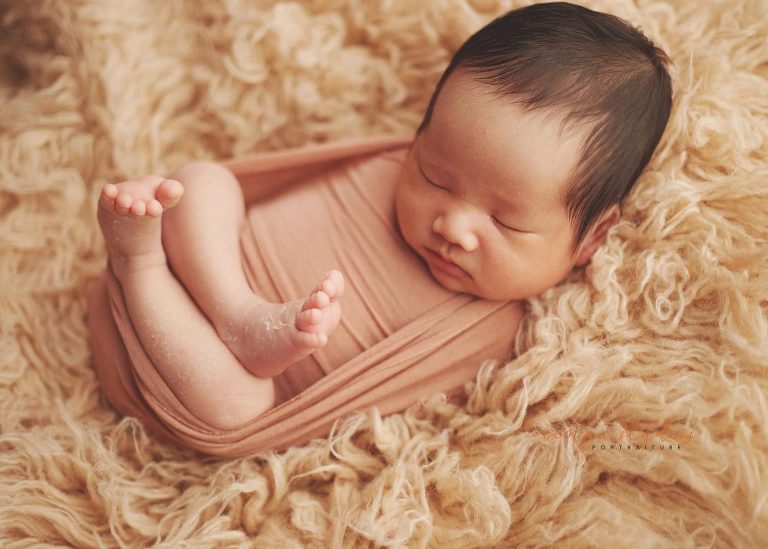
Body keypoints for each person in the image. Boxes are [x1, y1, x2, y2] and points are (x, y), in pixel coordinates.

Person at [88, 2, 673, 454]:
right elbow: (272, 183)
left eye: (505, 221)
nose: (454, 226)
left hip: (173, 377)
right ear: (417, 138)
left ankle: (137, 264)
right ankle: (236, 311)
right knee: (207, 181)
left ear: (590, 240)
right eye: (437, 177)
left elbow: (413, 433)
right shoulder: (386, 167)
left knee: (238, 402)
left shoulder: (499, 334)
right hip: (186, 276)